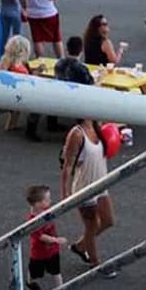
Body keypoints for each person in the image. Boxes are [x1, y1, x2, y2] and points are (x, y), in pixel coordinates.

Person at [60, 116, 117, 278]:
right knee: (91, 227)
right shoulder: (77, 134)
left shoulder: (97, 126)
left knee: (108, 221)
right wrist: (65, 194)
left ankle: (80, 246)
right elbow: (68, 165)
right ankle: (95, 263)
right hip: (84, 188)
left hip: (101, 185)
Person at [23, 184, 73, 290]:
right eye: (47, 199)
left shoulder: (45, 210)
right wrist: (56, 240)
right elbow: (41, 236)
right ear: (37, 204)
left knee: (56, 270)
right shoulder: (32, 221)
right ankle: (29, 282)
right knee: (35, 270)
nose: (50, 201)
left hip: (52, 250)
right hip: (39, 252)